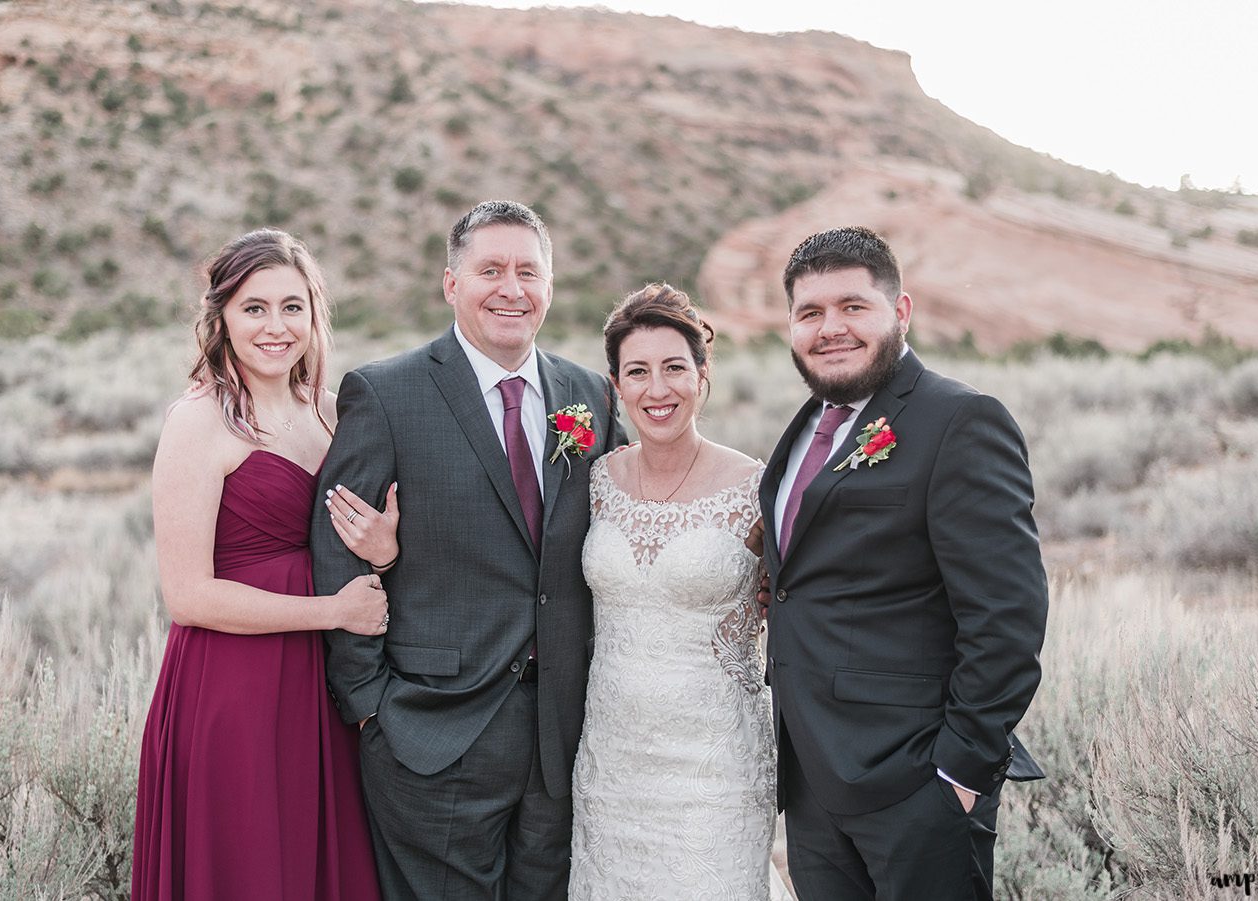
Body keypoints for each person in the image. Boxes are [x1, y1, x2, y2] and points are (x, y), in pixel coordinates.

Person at [311, 200, 629, 901]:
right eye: (490, 270)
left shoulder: (590, 396)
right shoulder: (386, 392)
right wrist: (370, 705)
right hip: (431, 733)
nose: (511, 288)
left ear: (550, 284)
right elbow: (337, 549)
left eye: (528, 271)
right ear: (452, 283)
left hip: (563, 735)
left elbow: (633, 518)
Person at [760, 225, 1048, 901]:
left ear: (901, 311)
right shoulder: (804, 428)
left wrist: (961, 774)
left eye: (853, 306)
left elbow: (1008, 617)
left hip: (917, 789)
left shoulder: (961, 420)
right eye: (810, 313)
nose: (830, 328)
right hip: (811, 786)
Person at [132, 228, 388, 900]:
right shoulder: (199, 421)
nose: (276, 327)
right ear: (221, 319)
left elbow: (357, 541)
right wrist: (333, 611)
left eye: (292, 307)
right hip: (231, 688)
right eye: (254, 308)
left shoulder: (331, 415)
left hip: (319, 687)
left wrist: (384, 547)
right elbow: (186, 594)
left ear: (314, 314)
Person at [569, 283, 776, 900]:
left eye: (674, 368)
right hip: (610, 763)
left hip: (715, 770)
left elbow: (806, 595)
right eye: (638, 372)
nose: (657, 390)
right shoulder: (596, 480)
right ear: (616, 385)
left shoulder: (754, 486)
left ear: (702, 374)